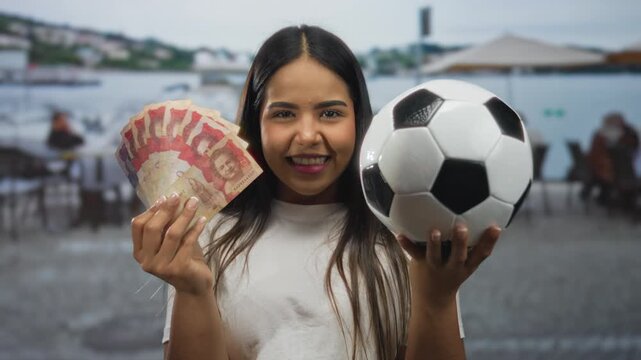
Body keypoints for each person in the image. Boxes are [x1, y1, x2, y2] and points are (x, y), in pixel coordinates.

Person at [130, 25, 501, 360]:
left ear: (359, 121)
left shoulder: (406, 237)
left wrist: (437, 300)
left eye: (330, 114)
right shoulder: (207, 238)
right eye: (284, 114)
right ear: (256, 126)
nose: (307, 136)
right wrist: (192, 289)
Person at [582, 112, 640, 207]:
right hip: (616, 172)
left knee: (603, 172)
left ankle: (603, 195)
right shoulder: (603, 136)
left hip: (617, 171)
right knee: (605, 172)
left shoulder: (627, 135)